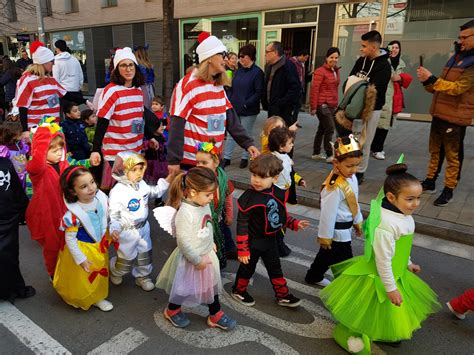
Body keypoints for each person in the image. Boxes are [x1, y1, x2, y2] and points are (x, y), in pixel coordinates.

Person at [320, 163, 441, 353]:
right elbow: (383, 260)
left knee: (385, 308)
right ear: (391, 197)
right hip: (379, 277)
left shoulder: (403, 214)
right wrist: (390, 288)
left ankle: (384, 331)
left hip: (396, 273)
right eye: (410, 199)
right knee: (369, 308)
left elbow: (401, 246)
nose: (416, 204)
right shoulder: (386, 225)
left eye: (418, 198)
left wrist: (408, 262)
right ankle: (349, 335)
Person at [155, 167, 237, 330]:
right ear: (193, 192)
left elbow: (208, 224)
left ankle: (215, 313)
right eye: (208, 194)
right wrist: (196, 259)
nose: (211, 198)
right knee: (183, 287)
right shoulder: (185, 213)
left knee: (210, 284)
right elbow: (183, 242)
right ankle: (172, 310)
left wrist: (210, 242)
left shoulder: (203, 205)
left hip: (205, 254)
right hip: (191, 259)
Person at [167, 32, 259, 173]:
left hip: (213, 161)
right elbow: (176, 122)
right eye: (222, 55)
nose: (226, 59)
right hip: (193, 163)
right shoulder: (187, 85)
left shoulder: (217, 84)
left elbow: (230, 119)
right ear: (209, 58)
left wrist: (248, 143)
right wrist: (174, 160)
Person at [231, 154, 309, 308]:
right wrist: (243, 249)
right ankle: (238, 290)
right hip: (253, 242)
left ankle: (283, 295)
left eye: (262, 177)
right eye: (254, 175)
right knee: (247, 269)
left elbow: (280, 215)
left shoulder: (278, 193)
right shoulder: (249, 197)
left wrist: (294, 223)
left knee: (275, 268)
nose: (256, 180)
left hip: (270, 240)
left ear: (275, 178)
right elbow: (242, 225)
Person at [26, 118, 98, 277]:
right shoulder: (38, 169)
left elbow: (78, 166)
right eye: (53, 150)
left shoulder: (65, 162)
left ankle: (69, 272)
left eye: (60, 148)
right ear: (42, 149)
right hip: (48, 215)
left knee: (70, 242)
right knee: (52, 247)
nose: (59, 152)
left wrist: (90, 162)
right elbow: (36, 163)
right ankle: (54, 274)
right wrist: (43, 134)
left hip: (67, 211)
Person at [417, 20, 474, 206]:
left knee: (453, 157)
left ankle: (448, 189)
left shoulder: (472, 63)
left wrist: (432, 78)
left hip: (456, 118)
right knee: (435, 151)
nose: (461, 41)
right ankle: (430, 181)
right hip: (439, 113)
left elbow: (458, 88)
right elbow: (441, 85)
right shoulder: (456, 57)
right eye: (460, 37)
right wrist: (427, 82)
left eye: (465, 37)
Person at [305, 135, 363, 287]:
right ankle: (347, 289)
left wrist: (357, 222)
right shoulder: (334, 186)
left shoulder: (352, 177)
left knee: (326, 255)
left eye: (357, 165)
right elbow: (327, 214)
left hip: (346, 227)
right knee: (346, 263)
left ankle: (314, 275)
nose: (354, 170)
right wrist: (325, 237)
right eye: (350, 166)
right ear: (336, 163)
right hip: (337, 232)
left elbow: (354, 202)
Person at [108, 151, 171, 291]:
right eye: (134, 170)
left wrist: (167, 181)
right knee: (126, 259)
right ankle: (115, 269)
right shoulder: (118, 191)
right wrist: (115, 228)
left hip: (143, 228)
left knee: (145, 254)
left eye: (141, 169)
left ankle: (143, 276)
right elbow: (115, 213)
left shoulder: (141, 184)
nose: (139, 173)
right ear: (124, 170)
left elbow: (153, 192)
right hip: (127, 232)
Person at [54, 166, 114, 312]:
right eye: (84, 186)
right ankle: (91, 298)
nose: (91, 188)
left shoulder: (101, 199)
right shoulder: (73, 215)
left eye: (92, 182)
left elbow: (109, 217)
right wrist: (80, 258)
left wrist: (114, 228)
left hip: (99, 246)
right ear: (73, 191)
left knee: (100, 269)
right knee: (85, 277)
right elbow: (70, 239)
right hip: (84, 250)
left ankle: (97, 295)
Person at [92, 47, 146, 190]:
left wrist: (151, 136)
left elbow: (140, 116)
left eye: (130, 65)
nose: (128, 69)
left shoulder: (138, 90)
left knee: (133, 191)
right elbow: (102, 121)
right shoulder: (111, 91)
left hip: (135, 149)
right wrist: (95, 149)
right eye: (123, 65)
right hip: (116, 153)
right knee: (119, 194)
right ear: (116, 69)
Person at [342, 31, 392, 185]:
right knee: (353, 140)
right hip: (355, 108)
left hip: (372, 110)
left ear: (374, 47)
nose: (361, 49)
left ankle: (360, 171)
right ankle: (349, 167)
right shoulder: (361, 61)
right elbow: (351, 78)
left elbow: (374, 90)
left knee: (365, 141)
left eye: (364, 46)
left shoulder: (384, 66)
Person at [15, 41, 87, 134]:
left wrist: (85, 101)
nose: (54, 64)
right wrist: (25, 130)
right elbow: (22, 107)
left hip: (53, 129)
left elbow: (66, 94)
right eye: (52, 61)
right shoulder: (27, 80)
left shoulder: (51, 80)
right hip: (37, 131)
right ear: (43, 63)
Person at [222, 44, 264, 169]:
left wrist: (247, 103)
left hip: (248, 109)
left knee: (246, 133)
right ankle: (227, 158)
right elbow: (231, 87)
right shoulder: (238, 71)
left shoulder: (257, 72)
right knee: (230, 133)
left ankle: (245, 157)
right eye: (239, 56)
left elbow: (258, 92)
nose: (240, 59)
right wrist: (230, 99)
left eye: (242, 56)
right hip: (235, 107)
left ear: (250, 57)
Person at [195, 141, 236, 268]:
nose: (199, 166)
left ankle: (225, 254)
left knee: (222, 233)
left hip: (218, 213)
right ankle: (207, 262)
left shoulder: (222, 178)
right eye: (197, 162)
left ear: (216, 163)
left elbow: (228, 197)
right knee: (205, 241)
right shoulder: (195, 178)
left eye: (204, 163)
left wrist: (229, 214)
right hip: (202, 217)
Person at [0, 156, 35, 302]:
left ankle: (12, 287)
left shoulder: (5, 163)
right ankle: (12, 288)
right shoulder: (5, 163)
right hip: (8, 216)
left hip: (7, 217)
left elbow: (15, 188)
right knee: (9, 254)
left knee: (9, 254)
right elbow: (17, 191)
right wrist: (22, 211)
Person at [371, 41, 412, 160]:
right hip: (382, 95)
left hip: (394, 97)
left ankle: (377, 148)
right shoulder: (383, 61)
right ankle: (375, 148)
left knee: (386, 124)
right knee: (376, 123)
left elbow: (400, 79)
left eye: (397, 47)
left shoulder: (401, 63)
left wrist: (400, 78)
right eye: (392, 47)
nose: (394, 49)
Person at [268, 126, 306, 257]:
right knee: (278, 218)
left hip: (284, 194)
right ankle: (277, 244)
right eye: (290, 143)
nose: (292, 145)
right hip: (274, 194)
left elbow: (290, 173)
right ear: (280, 146)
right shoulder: (273, 160)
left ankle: (278, 243)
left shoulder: (285, 157)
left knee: (281, 216)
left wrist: (299, 180)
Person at [310, 47, 341, 163]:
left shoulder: (336, 71)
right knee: (330, 128)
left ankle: (316, 153)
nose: (334, 59)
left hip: (331, 105)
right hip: (322, 105)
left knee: (322, 128)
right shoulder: (320, 71)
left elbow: (334, 89)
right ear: (326, 58)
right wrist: (313, 107)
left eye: (336, 57)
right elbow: (314, 90)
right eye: (331, 57)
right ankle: (329, 154)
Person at [261, 41, 301, 127]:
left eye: (267, 52)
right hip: (271, 108)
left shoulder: (288, 66)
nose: (265, 54)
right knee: (273, 134)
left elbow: (295, 88)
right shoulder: (269, 66)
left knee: (284, 136)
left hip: (283, 110)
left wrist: (281, 103)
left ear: (275, 52)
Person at [0, 121, 29, 189]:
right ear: (12, 135)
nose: (22, 134)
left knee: (22, 188)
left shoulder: (21, 143)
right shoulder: (5, 149)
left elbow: (26, 151)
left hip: (23, 173)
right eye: (20, 133)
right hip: (12, 175)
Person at [143, 116, 168, 185]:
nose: (163, 127)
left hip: (162, 165)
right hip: (151, 166)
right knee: (150, 184)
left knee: (160, 183)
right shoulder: (149, 139)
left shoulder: (163, 137)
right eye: (160, 125)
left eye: (163, 125)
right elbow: (144, 146)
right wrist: (148, 144)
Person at [289, 49, 310, 122]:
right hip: (292, 88)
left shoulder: (302, 64)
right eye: (305, 58)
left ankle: (294, 121)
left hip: (300, 88)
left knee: (298, 105)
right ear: (301, 55)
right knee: (290, 106)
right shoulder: (291, 62)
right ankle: (289, 121)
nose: (306, 60)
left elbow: (302, 77)